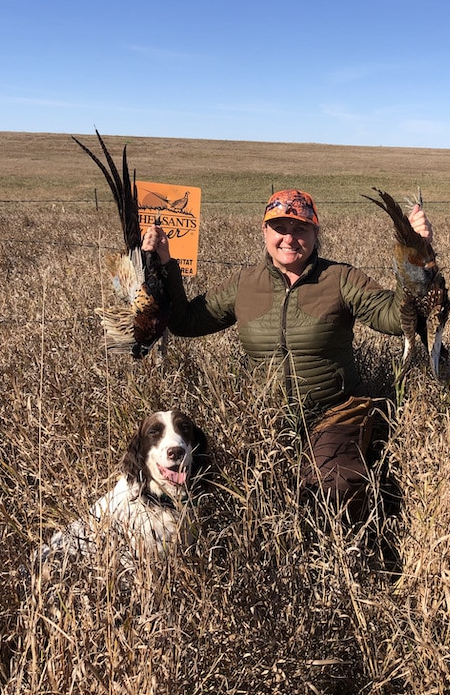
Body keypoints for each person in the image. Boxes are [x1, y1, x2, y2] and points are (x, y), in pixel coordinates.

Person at [142, 189, 433, 522]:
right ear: (264, 232)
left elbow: (397, 320)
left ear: (315, 234)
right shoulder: (245, 284)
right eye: (280, 228)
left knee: (331, 489)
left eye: (300, 229)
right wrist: (165, 262)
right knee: (241, 494)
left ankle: (346, 550)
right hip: (265, 418)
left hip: (333, 412)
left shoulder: (340, 279)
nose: (289, 239)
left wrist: (415, 256)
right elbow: (185, 322)